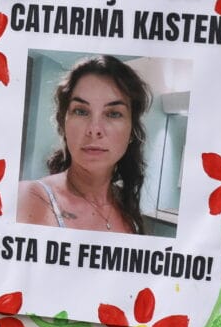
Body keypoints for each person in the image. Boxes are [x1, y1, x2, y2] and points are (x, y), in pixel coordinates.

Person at [16, 55, 151, 235]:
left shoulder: (126, 207)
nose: (94, 130)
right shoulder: (30, 198)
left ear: (132, 131)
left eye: (113, 114)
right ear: (63, 123)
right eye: (81, 111)